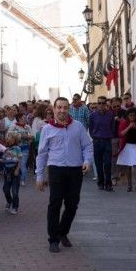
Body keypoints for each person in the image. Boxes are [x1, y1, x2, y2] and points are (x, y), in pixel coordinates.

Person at [35, 97, 93, 253]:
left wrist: (87, 160)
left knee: (72, 204)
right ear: (54, 109)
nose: (62, 110)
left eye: (65, 107)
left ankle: (63, 232)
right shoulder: (47, 129)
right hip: (56, 169)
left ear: (69, 109)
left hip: (75, 170)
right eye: (59, 107)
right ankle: (53, 239)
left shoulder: (78, 127)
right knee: (55, 203)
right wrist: (40, 176)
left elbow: (87, 146)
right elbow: (41, 154)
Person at [89, 96, 115, 192]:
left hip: (107, 141)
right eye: (99, 103)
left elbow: (113, 128)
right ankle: (101, 182)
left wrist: (108, 136)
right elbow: (91, 129)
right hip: (97, 141)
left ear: (106, 104)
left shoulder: (110, 115)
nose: (101, 105)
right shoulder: (92, 115)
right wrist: (95, 137)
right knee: (98, 164)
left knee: (108, 163)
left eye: (103, 103)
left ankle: (108, 183)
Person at [117, 107, 136, 193]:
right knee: (127, 166)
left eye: (134, 115)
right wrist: (129, 127)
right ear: (127, 116)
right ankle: (129, 185)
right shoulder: (123, 123)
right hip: (126, 146)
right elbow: (121, 134)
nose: (132, 117)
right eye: (130, 115)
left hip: (135, 146)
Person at [0, 134, 22, 215]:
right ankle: (9, 201)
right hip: (7, 172)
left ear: (14, 140)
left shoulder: (17, 148)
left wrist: (17, 169)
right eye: (7, 137)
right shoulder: (5, 149)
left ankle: (15, 206)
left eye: (10, 137)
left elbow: (20, 159)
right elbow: (4, 160)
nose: (7, 138)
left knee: (15, 191)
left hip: (15, 171)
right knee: (5, 189)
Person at [8, 113, 33, 186]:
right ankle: (13, 178)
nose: (25, 119)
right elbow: (8, 134)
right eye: (23, 117)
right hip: (14, 148)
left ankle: (22, 179)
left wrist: (26, 137)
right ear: (19, 118)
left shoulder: (27, 127)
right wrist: (21, 135)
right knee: (14, 163)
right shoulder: (14, 126)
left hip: (25, 148)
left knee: (23, 164)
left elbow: (32, 136)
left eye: (25, 117)